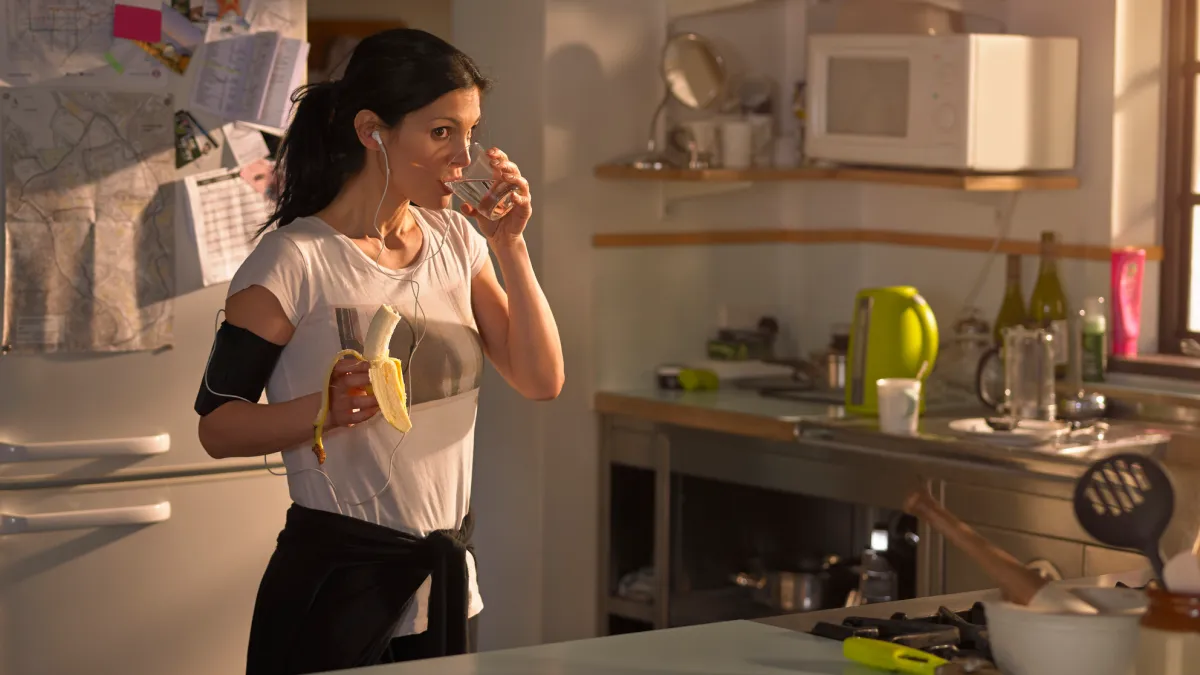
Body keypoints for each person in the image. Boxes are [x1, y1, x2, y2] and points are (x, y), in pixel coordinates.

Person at [193, 28, 564, 674]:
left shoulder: (458, 242)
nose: (463, 157)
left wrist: (510, 246)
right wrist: (324, 410)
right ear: (373, 131)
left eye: (470, 133)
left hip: (445, 585)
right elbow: (217, 425)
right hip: (336, 592)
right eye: (441, 132)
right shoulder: (292, 261)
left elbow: (541, 379)